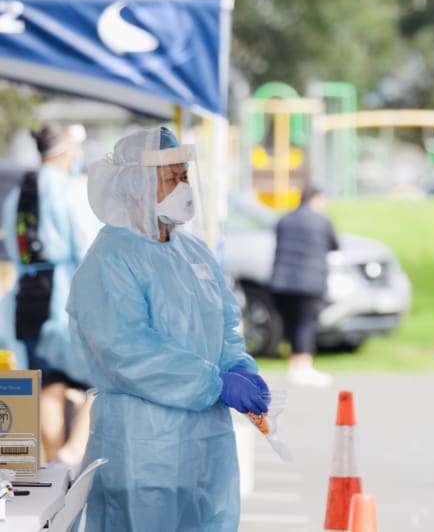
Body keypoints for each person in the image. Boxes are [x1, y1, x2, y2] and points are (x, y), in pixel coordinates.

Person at [66, 126, 270, 530]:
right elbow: (127, 350)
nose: (183, 188)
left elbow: (224, 322)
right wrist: (214, 382)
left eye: (185, 176)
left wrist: (238, 366)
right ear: (136, 185)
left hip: (206, 443)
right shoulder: (111, 258)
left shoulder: (193, 251)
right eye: (171, 178)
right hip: (143, 446)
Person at [0, 123, 98, 465]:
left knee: (48, 383)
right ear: (67, 150)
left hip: (26, 298)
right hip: (64, 296)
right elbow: (88, 245)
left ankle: (55, 466)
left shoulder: (18, 194)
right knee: (105, 376)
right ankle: (72, 452)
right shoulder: (72, 191)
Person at [271, 184, 337, 387]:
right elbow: (334, 245)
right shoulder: (322, 221)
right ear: (315, 199)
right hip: (310, 282)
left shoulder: (284, 220)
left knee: (291, 324)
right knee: (306, 324)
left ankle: (294, 364)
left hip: (283, 281)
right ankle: (304, 366)